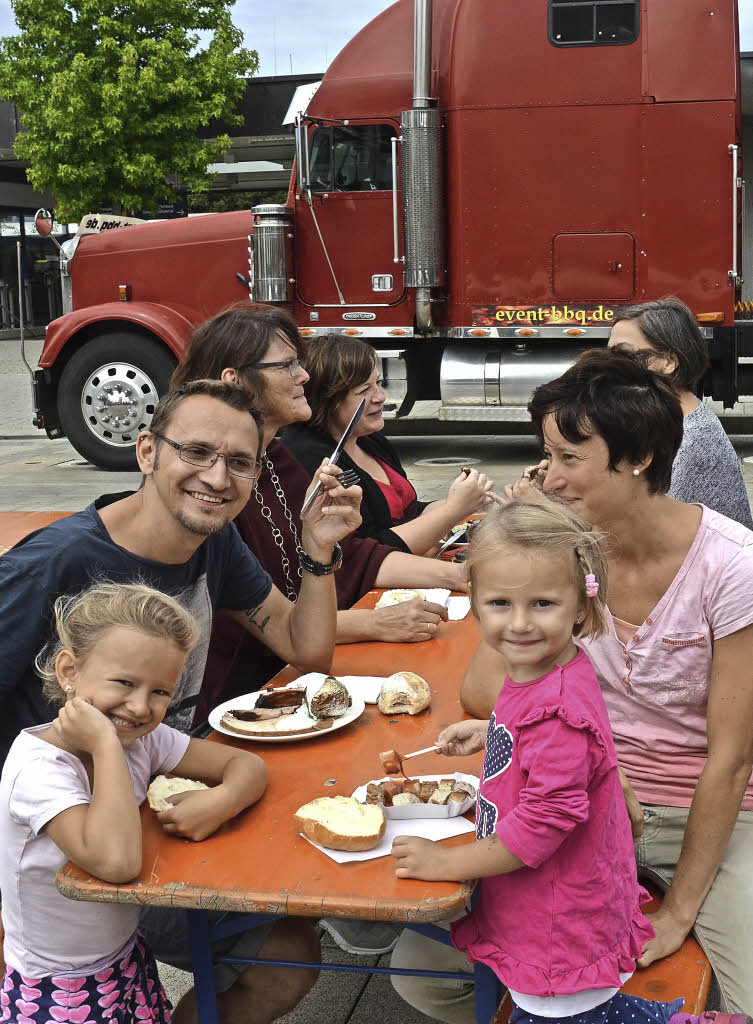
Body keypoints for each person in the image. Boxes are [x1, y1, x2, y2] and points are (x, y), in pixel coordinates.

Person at [0, 377, 363, 1018]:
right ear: (146, 452)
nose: (217, 478)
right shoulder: (54, 562)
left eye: (239, 463)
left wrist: (317, 550)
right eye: (195, 452)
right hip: (69, 858)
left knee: (292, 948)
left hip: (161, 814)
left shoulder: (214, 541)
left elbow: (303, 650)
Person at [460, 349, 753, 1013]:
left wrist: (679, 909)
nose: (549, 477)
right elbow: (481, 694)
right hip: (577, 799)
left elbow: (731, 761)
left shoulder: (731, 566)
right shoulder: (565, 557)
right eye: (546, 456)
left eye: (569, 458)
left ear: (640, 456)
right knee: (433, 974)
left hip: (699, 814)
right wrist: (523, 545)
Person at [390, 501, 743, 1024]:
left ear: (581, 605)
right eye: (500, 603)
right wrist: (499, 735)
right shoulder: (554, 668)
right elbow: (575, 745)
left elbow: (542, 823)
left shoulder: (554, 705)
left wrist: (446, 864)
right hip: (559, 896)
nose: (520, 624)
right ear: (475, 604)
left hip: (556, 920)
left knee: (564, 1014)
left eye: (542, 603)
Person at [171, 306, 470, 725]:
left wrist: (459, 577)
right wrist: (373, 621)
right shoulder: (210, 500)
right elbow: (275, 629)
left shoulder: (275, 458)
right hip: (228, 706)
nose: (304, 375)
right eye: (288, 364)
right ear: (234, 381)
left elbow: (353, 556)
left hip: (289, 682)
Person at [0, 581, 271, 1024]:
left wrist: (220, 802)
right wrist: (106, 745)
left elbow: (247, 766)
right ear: (69, 671)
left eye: (161, 692)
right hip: (56, 985)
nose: (140, 706)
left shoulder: (140, 739)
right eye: (124, 682)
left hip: (123, 958)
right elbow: (118, 862)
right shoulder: (40, 769)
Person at [281, 332, 495, 553]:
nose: (380, 396)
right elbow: (368, 553)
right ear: (327, 398)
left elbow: (409, 514)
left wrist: (465, 498)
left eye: (379, 383)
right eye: (364, 390)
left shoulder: (369, 440)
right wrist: (452, 511)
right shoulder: (312, 458)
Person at [608, 297, 752, 528]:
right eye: (608, 355)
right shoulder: (663, 423)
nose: (608, 365)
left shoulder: (691, 439)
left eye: (623, 355)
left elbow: (650, 531)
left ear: (668, 362)